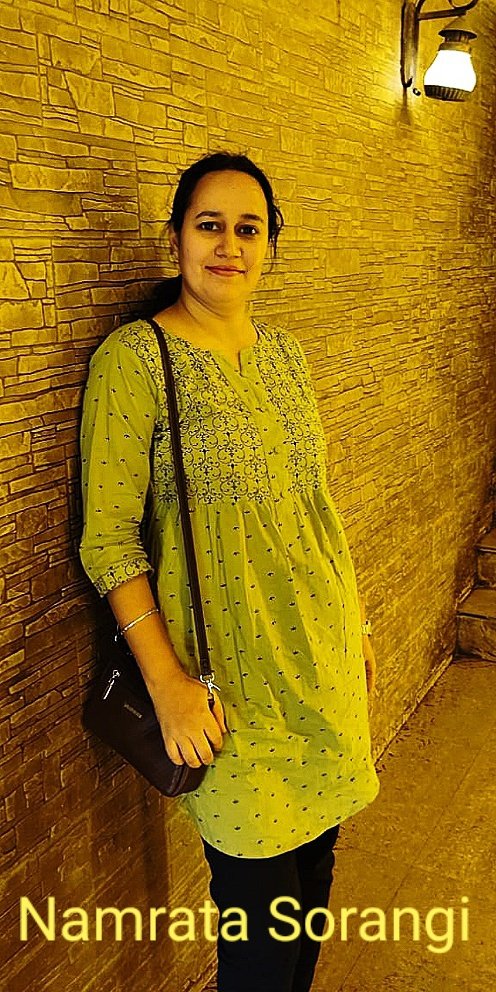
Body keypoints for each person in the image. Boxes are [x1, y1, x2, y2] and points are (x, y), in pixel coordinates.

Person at [79, 150, 380, 992]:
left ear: (270, 247)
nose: (228, 245)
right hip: (230, 694)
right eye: (209, 225)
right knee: (257, 934)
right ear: (175, 238)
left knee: (312, 886)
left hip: (320, 667)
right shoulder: (136, 360)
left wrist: (355, 626)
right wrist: (168, 684)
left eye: (249, 229)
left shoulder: (286, 356)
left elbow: (315, 506)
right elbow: (107, 540)